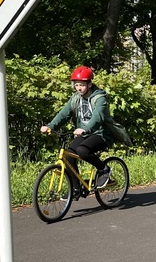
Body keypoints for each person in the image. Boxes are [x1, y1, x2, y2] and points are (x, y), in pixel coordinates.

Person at [40, 66, 114, 199]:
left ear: (89, 84)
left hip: (101, 134)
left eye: (82, 85)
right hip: (84, 134)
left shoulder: (99, 98)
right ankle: (76, 189)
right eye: (76, 85)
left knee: (82, 150)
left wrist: (85, 129)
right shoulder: (75, 98)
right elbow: (64, 114)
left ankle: (104, 169)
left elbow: (98, 117)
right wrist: (50, 126)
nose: (79, 88)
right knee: (69, 156)